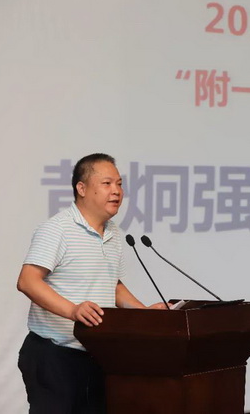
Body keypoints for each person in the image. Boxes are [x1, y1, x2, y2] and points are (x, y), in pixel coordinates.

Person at [17, 153, 165, 413]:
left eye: (119, 184)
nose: (116, 191)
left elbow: (113, 285)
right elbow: (27, 281)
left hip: (98, 353)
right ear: (82, 188)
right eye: (107, 183)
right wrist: (73, 310)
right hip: (54, 355)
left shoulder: (114, 232)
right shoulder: (57, 229)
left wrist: (143, 313)